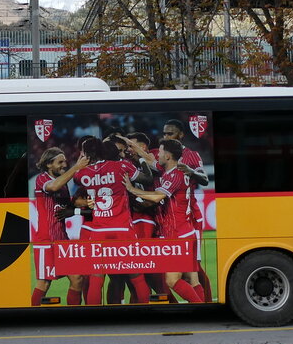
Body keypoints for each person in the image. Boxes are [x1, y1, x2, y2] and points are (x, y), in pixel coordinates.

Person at [123, 138, 204, 303]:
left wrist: (132, 189)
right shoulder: (173, 170)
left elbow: (157, 196)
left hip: (178, 234)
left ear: (167, 156)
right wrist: (134, 147)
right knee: (192, 280)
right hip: (185, 230)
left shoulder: (175, 175)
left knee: (171, 281)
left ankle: (199, 307)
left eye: (159, 152)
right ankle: (203, 309)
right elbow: (150, 159)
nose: (156, 155)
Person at [75, 137, 150, 306]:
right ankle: (146, 312)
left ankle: (94, 317)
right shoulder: (121, 166)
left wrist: (83, 162)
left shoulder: (82, 174)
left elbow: (77, 178)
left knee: (96, 278)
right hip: (123, 229)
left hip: (98, 230)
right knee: (137, 277)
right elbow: (147, 178)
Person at [156, 119, 213, 302]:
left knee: (194, 269)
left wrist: (190, 170)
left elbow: (204, 179)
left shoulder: (191, 155)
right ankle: (203, 305)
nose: (166, 136)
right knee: (189, 273)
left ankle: (206, 301)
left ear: (181, 135)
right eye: (164, 133)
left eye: (170, 133)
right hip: (173, 218)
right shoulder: (164, 155)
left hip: (190, 217)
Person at [30, 147, 89, 306]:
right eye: (60, 162)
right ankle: (32, 316)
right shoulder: (42, 179)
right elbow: (52, 187)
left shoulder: (63, 184)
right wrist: (76, 167)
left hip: (62, 239)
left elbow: (67, 204)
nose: (64, 164)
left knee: (77, 278)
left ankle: (74, 316)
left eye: (65, 161)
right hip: (46, 240)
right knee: (44, 283)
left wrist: (80, 205)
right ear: (49, 164)